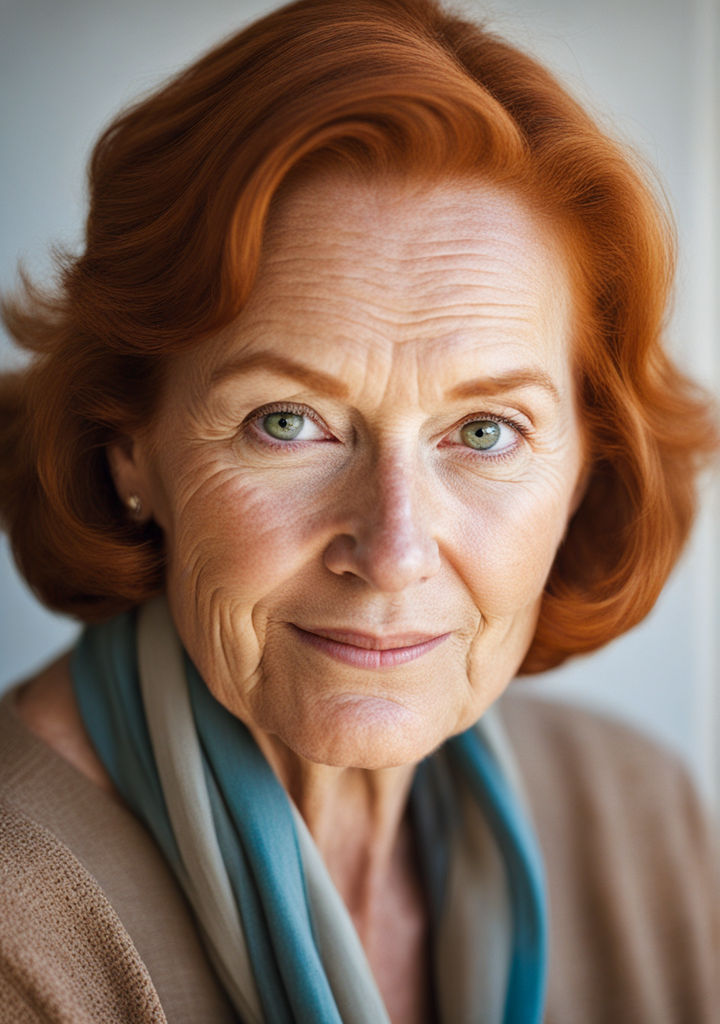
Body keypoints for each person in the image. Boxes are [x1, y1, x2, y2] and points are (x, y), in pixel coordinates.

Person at [0, 0, 718, 1021]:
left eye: (483, 433)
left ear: (588, 470)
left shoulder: (645, 826)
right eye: (287, 422)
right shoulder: (21, 936)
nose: (394, 550)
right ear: (131, 448)